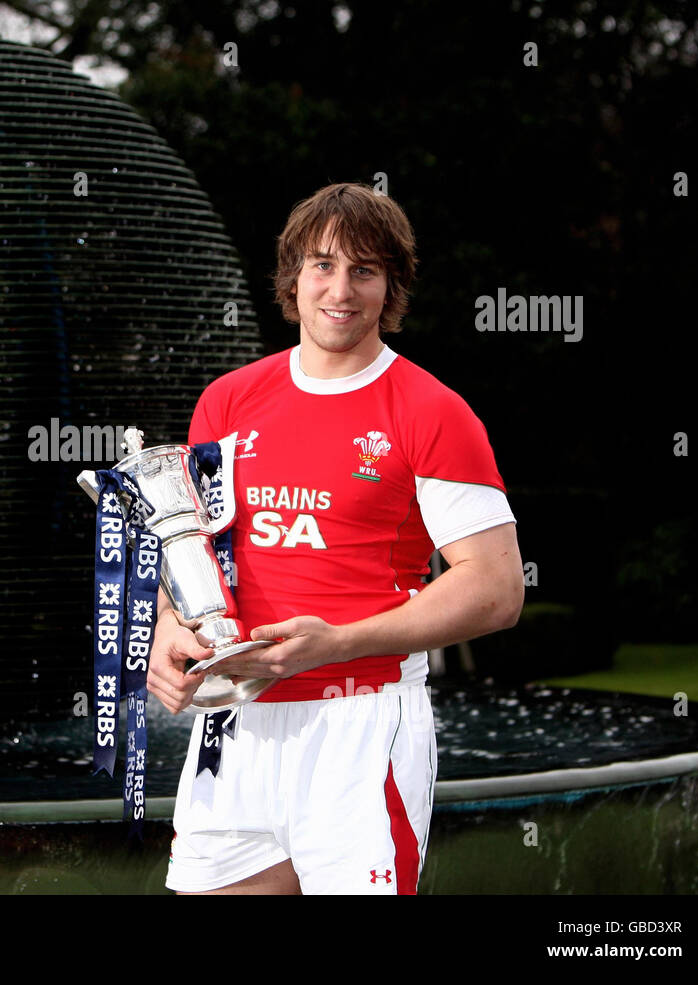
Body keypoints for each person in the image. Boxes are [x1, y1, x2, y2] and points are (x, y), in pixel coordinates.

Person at [146, 182, 524, 895]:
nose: (340, 289)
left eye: (364, 269)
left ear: (391, 286)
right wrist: (168, 629)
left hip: (359, 721)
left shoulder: (433, 412)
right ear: (293, 277)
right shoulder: (227, 401)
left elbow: (497, 587)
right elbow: (192, 553)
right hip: (236, 723)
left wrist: (340, 641)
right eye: (322, 265)